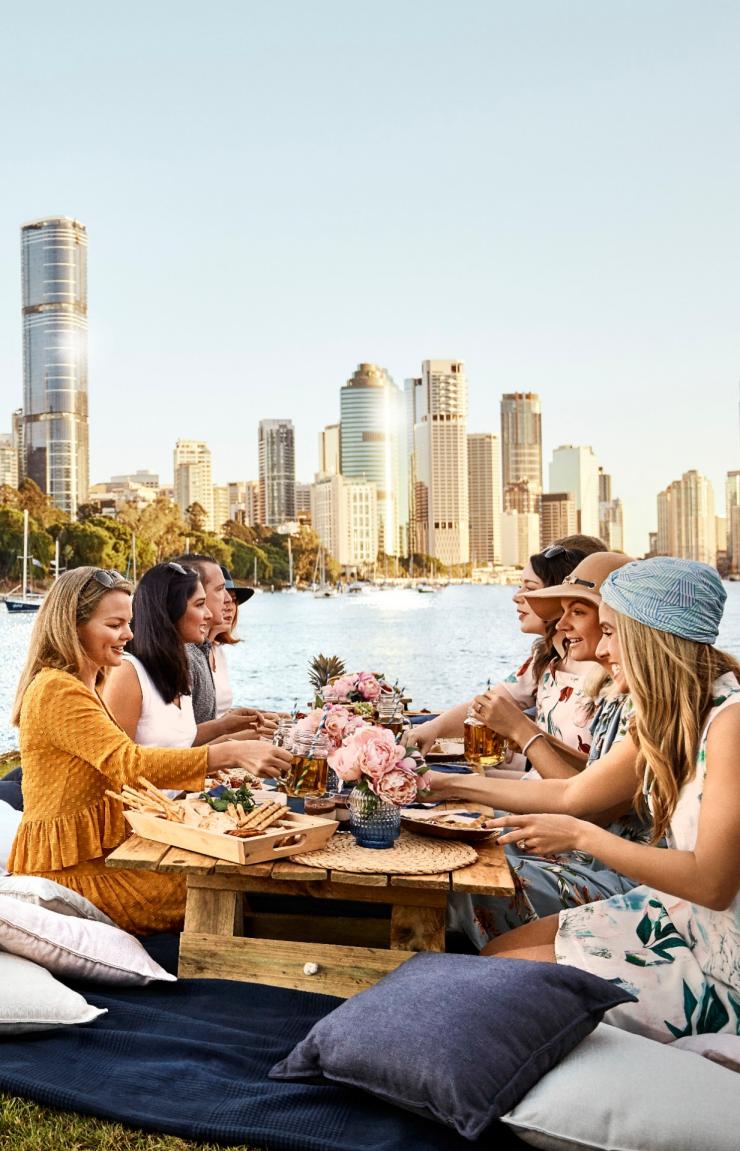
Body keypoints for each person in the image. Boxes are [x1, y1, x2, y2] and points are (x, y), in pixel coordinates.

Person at [475, 558, 739, 1044]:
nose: (600, 648)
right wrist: (436, 786)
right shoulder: (673, 711)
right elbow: (574, 792)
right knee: (493, 956)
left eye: (612, 632)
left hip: (718, 959)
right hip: (673, 914)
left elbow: (714, 884)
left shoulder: (731, 724)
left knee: (496, 984)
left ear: (651, 635)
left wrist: (580, 837)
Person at [7, 568, 285, 935]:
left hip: (96, 857)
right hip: (68, 873)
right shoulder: (56, 691)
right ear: (72, 627)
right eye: (115, 625)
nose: (128, 635)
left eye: (129, 623)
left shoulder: (87, 682)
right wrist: (230, 754)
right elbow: (128, 761)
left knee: (220, 872)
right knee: (208, 887)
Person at [442, 552, 646, 947]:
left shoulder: (650, 706)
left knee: (461, 878)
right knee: (456, 843)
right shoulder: (617, 691)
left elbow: (584, 803)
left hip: (612, 872)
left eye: (584, 615)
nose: (562, 626)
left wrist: (520, 733)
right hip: (583, 851)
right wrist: (448, 783)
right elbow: (589, 775)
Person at [415, 535, 607, 771]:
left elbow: (585, 788)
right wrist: (430, 730)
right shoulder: (546, 660)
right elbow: (486, 705)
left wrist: (524, 733)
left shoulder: (607, 675)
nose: (518, 596)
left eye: (530, 589)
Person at [102, 564, 290, 774]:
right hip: (146, 806)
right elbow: (117, 766)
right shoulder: (128, 673)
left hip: (180, 801)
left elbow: (177, 742)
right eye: (200, 604)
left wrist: (226, 725)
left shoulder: (176, 665)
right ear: (170, 609)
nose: (209, 614)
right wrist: (230, 753)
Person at [169, 553, 277, 732]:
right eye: (220, 590)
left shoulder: (210, 651)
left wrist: (258, 718)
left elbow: (211, 719)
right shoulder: (183, 656)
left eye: (234, 599)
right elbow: (183, 738)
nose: (228, 602)